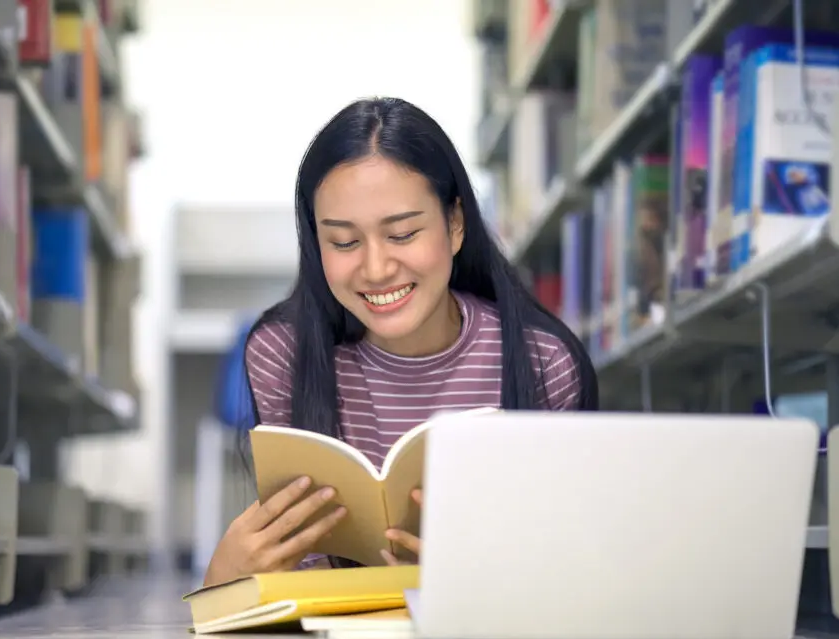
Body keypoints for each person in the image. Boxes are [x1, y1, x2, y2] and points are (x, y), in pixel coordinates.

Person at [202, 97, 599, 587]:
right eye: (344, 242)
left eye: (404, 234)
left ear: (455, 225)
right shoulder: (283, 353)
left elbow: (569, 569)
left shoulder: (543, 363)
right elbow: (292, 576)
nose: (375, 269)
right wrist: (224, 574)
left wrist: (476, 582)